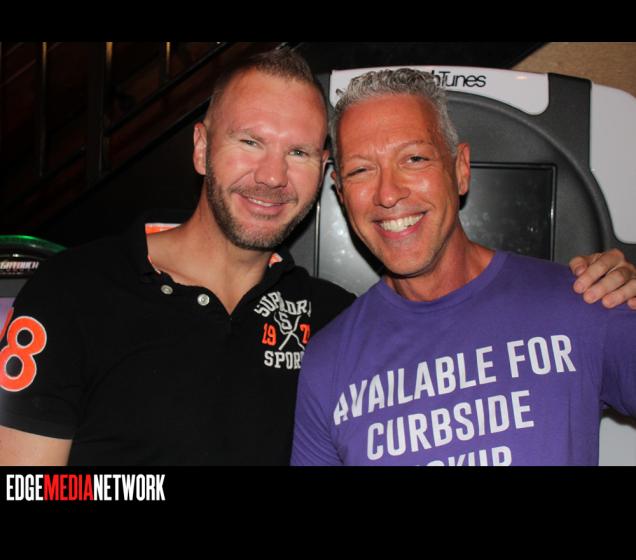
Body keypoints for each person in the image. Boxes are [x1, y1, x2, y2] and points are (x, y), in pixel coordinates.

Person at [0, 51, 633, 466]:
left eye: (299, 152)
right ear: (200, 148)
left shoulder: (330, 319)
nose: (272, 176)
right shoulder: (76, 289)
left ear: (322, 172)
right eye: (250, 141)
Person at [291, 67, 636, 466]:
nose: (388, 193)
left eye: (414, 159)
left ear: (460, 170)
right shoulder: (327, 365)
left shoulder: (583, 301)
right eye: (361, 170)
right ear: (341, 193)